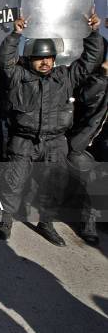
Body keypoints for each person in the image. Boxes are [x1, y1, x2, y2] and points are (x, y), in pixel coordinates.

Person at [0, 11, 103, 246]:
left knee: (53, 186)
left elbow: (90, 62)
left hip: (55, 142)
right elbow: (2, 62)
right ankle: (6, 221)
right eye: (40, 58)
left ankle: (46, 223)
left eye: (49, 57)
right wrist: (16, 34)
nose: (45, 62)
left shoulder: (65, 77)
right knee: (13, 183)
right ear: (30, 59)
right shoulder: (18, 77)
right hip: (23, 140)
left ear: (55, 59)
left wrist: (94, 33)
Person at [67, 57, 107, 246]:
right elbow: (86, 97)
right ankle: (88, 223)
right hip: (88, 144)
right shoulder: (98, 80)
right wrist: (103, 74)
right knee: (93, 177)